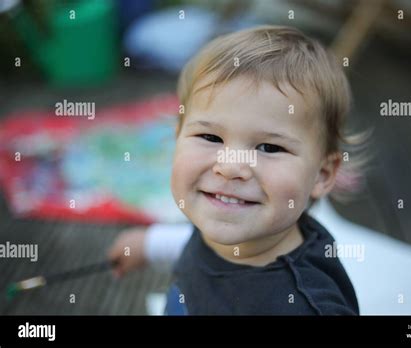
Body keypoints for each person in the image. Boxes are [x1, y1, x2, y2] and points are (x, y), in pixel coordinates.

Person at [108, 25, 360, 315]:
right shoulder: (233, 218)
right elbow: (201, 240)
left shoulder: (301, 305)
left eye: (268, 148)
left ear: (322, 174)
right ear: (178, 135)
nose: (229, 168)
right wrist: (149, 244)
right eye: (211, 138)